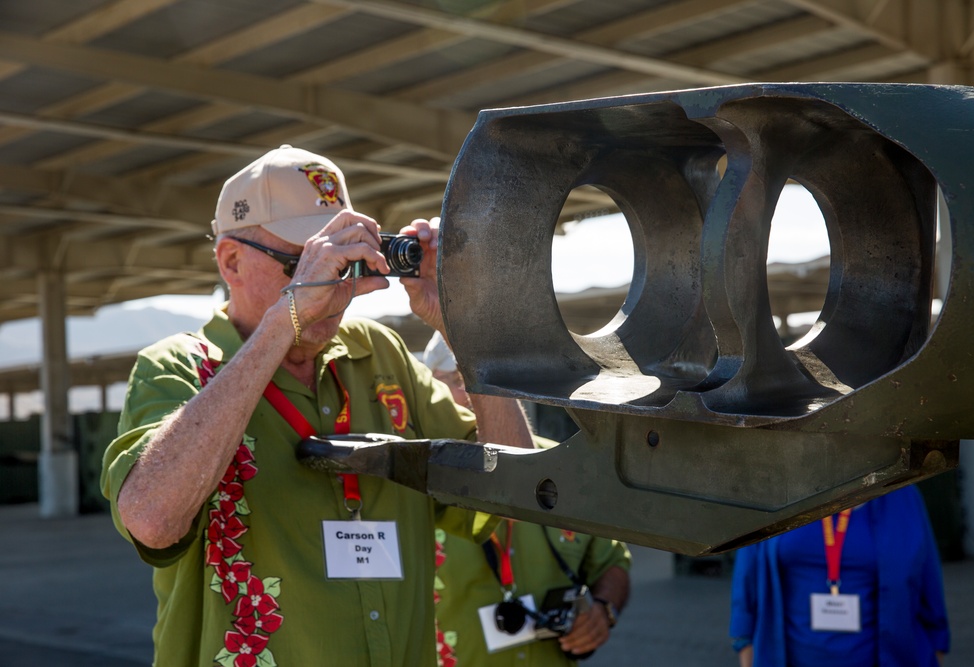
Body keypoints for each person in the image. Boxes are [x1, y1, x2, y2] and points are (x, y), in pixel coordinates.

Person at [101, 144, 534, 667]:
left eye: (343, 261)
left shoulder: (380, 355)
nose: (333, 287)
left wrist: (470, 328)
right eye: (304, 264)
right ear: (231, 261)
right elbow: (151, 519)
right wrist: (285, 323)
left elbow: (513, 491)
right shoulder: (178, 368)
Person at [423, 332, 631, 666]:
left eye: (480, 380)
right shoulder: (419, 478)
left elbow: (613, 562)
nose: (472, 392)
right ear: (428, 389)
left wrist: (603, 611)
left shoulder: (563, 469)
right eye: (458, 379)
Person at [729, 485, 950, 667]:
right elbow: (746, 586)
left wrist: (937, 651)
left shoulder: (902, 495)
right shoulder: (774, 491)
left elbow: (930, 595)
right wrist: (746, 650)